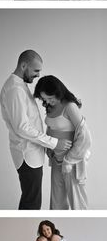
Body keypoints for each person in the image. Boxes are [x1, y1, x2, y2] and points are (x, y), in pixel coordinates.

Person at [0, 50, 72, 210]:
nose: (38, 75)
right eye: (36, 70)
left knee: (32, 200)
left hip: (32, 152)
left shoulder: (20, 86)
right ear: (23, 65)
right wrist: (54, 143)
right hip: (27, 154)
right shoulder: (15, 89)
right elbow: (22, 127)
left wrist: (45, 146)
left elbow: (30, 123)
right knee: (31, 202)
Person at [34, 75, 91, 210]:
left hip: (71, 160)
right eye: (44, 99)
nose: (47, 102)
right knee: (57, 200)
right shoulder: (50, 107)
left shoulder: (70, 107)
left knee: (76, 201)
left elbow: (85, 135)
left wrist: (69, 160)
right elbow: (51, 127)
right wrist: (49, 146)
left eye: (50, 98)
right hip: (56, 158)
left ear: (57, 91)